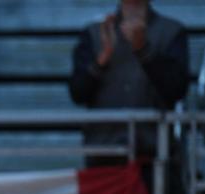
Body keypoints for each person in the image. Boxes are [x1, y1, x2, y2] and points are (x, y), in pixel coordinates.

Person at [68, 0, 188, 167]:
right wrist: (102, 58)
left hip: (152, 155)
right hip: (103, 153)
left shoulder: (172, 32)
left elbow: (177, 89)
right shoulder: (94, 32)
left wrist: (144, 50)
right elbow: (78, 93)